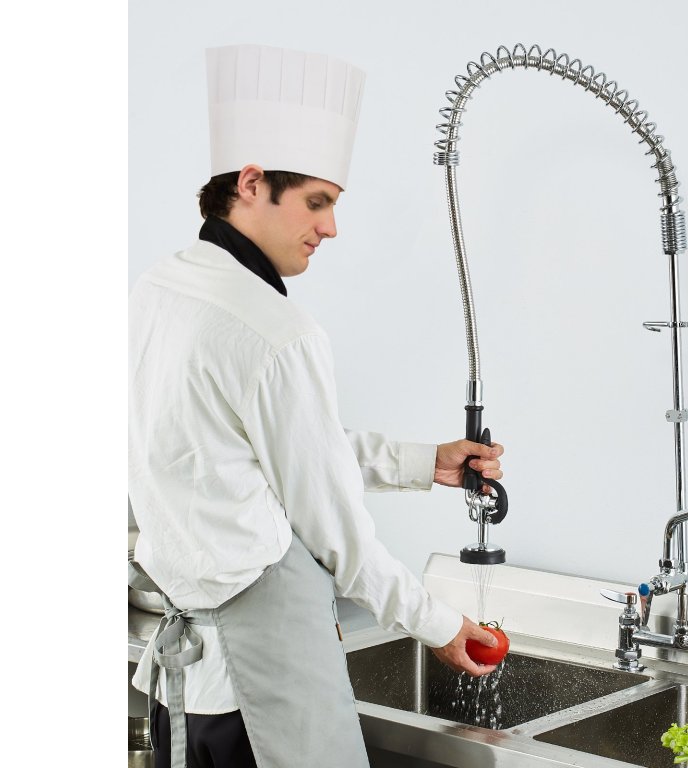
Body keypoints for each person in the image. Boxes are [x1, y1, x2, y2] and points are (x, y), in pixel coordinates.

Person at [128, 44, 505, 768]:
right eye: (317, 201)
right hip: (267, 688)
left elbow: (256, 449)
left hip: (191, 689)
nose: (330, 227)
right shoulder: (279, 332)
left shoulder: (160, 289)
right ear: (251, 183)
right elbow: (341, 538)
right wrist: (438, 623)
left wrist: (424, 463)